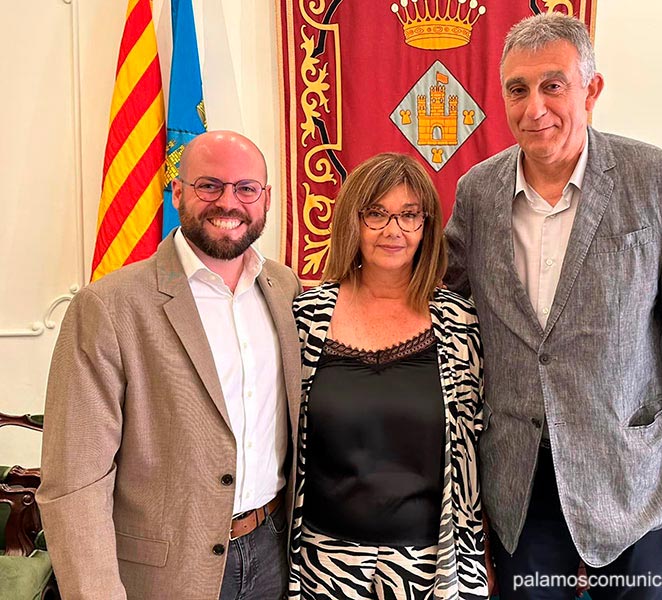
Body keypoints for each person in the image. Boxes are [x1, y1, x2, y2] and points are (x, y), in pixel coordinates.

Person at [444, 13, 662, 600]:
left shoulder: (661, 182)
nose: (534, 108)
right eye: (517, 90)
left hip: (636, 482)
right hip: (521, 486)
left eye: (553, 85)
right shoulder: (476, 192)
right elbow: (441, 300)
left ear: (591, 90)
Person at [38, 131, 301, 600]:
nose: (228, 202)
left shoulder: (285, 289)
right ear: (177, 191)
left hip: (272, 554)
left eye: (246, 188)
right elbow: (74, 484)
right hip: (162, 574)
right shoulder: (108, 306)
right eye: (209, 186)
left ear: (265, 198)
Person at [288, 153, 488, 600]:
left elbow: (477, 445)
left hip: (434, 565)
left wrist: (482, 551)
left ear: (427, 225)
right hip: (323, 564)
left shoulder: (459, 321)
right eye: (376, 213)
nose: (393, 230)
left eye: (409, 215)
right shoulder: (306, 317)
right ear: (352, 222)